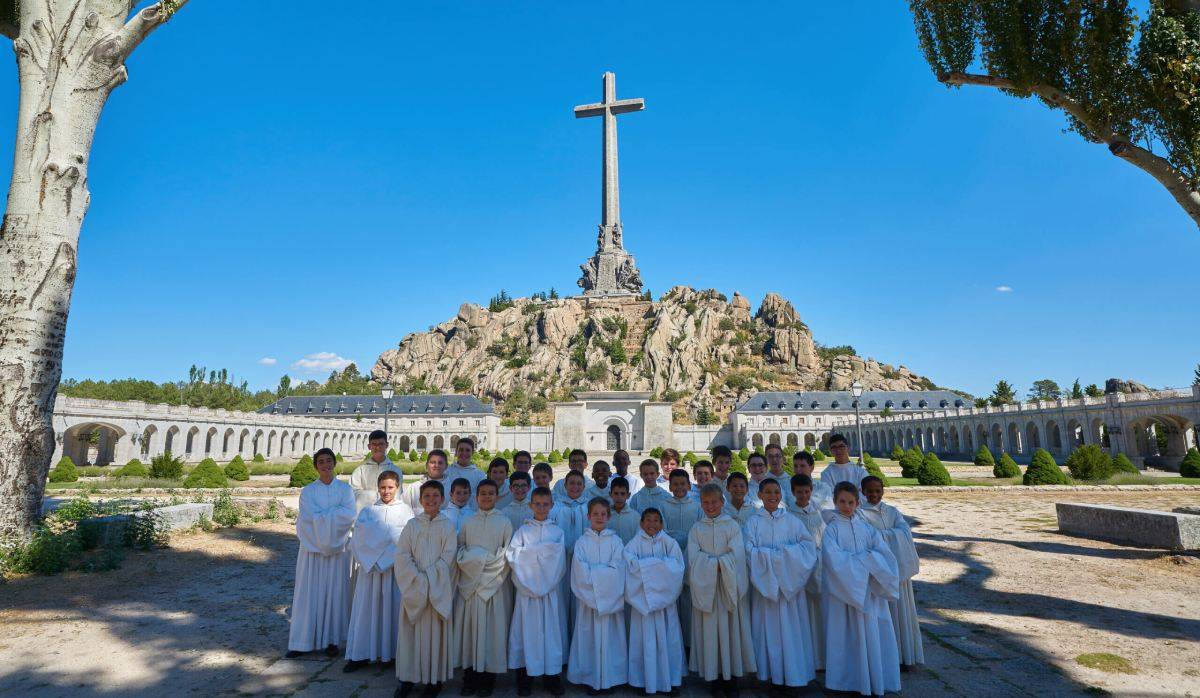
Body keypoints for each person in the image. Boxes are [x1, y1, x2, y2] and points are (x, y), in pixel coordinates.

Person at [822, 482, 901, 697]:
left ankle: (874, 677)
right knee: (846, 636)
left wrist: (867, 564)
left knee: (872, 633)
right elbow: (833, 560)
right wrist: (864, 564)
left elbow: (884, 554)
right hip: (844, 596)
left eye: (850, 502)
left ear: (858, 503)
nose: (846, 506)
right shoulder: (831, 530)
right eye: (841, 502)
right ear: (835, 501)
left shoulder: (867, 529)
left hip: (870, 593)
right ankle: (847, 681)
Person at [744, 478, 819, 690]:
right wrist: (779, 558)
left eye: (776, 492)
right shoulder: (753, 522)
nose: (772, 496)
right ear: (759, 495)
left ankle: (794, 677)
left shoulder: (793, 521)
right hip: (765, 591)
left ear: (781, 495)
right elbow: (748, 551)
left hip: (790, 592)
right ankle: (770, 677)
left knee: (792, 635)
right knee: (768, 635)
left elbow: (807, 548)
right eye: (767, 492)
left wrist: (779, 558)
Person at [688, 484, 756, 697]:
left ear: (722, 502)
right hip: (707, 591)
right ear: (701, 504)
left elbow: (738, 555)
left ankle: (733, 678)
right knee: (710, 634)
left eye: (714, 502)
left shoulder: (732, 526)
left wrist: (718, 565)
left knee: (731, 632)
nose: (710, 506)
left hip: (728, 590)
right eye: (706, 503)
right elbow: (692, 558)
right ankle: (715, 679)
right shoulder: (696, 529)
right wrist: (713, 566)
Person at [287, 448, 356, 658]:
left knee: (334, 593)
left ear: (334, 463)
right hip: (312, 551)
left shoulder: (345, 490)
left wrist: (324, 519)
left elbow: (349, 515)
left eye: (328, 461)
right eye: (321, 462)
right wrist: (330, 519)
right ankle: (301, 642)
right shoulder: (307, 491)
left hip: (336, 552)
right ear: (316, 466)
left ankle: (332, 641)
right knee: (308, 594)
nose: (325, 465)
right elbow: (306, 518)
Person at [394, 480, 458, 698]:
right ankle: (407, 679)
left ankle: (434, 680)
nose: (431, 500)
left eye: (435, 496)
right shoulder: (412, 525)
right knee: (410, 636)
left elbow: (448, 556)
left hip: (436, 593)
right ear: (420, 500)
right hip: (414, 591)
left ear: (443, 499)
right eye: (427, 496)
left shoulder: (448, 526)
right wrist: (417, 579)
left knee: (435, 637)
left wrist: (429, 578)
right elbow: (402, 555)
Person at [344, 470, 412, 672]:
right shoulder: (367, 512)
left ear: (398, 487)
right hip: (371, 571)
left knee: (394, 609)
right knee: (366, 610)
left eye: (390, 487)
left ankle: (392, 654)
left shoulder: (406, 511)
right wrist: (374, 559)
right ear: (378, 488)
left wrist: (386, 558)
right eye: (382, 487)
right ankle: (361, 654)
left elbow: (406, 538)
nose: (386, 491)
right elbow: (358, 539)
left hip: (394, 571)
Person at [453, 479, 513, 698]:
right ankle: (469, 677)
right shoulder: (468, 521)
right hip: (470, 588)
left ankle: (489, 678)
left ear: (497, 497)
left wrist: (482, 569)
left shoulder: (504, 522)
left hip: (494, 587)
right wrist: (476, 566)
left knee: (491, 634)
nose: (487, 497)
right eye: (483, 494)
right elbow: (460, 551)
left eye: (491, 493)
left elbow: (506, 555)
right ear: (475, 497)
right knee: (470, 633)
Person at [507, 487, 567, 697]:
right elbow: (514, 557)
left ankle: (551, 677)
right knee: (526, 634)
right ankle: (525, 678)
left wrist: (533, 553)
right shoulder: (522, 532)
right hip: (527, 594)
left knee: (550, 634)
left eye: (545, 504)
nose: (541, 508)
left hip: (549, 594)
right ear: (531, 505)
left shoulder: (557, 532)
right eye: (537, 504)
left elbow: (558, 561)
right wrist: (543, 553)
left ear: (551, 505)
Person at [859, 476, 923, 670]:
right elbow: (867, 537)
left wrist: (884, 537)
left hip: (898, 569)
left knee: (902, 612)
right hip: (878, 573)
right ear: (862, 492)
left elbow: (904, 531)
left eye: (878, 490)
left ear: (883, 491)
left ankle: (906, 655)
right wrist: (890, 536)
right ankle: (886, 658)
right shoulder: (860, 514)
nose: (874, 494)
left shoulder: (892, 511)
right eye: (870, 491)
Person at [567, 498, 628, 694]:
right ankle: (590, 678)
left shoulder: (616, 541)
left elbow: (619, 569)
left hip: (610, 605)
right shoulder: (582, 542)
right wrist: (596, 592)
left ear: (609, 517)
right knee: (589, 640)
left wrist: (596, 576)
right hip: (588, 604)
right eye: (595, 514)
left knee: (610, 640)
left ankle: (611, 678)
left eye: (603, 514)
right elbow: (579, 571)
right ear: (588, 516)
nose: (599, 517)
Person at [624, 508, 685, 696]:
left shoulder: (670, 543)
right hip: (644, 607)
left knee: (669, 641)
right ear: (641, 523)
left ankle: (671, 679)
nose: (652, 524)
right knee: (644, 642)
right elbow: (629, 567)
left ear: (662, 524)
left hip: (665, 606)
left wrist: (648, 567)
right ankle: (642, 681)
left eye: (656, 520)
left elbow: (677, 568)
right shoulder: (633, 544)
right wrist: (659, 566)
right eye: (648, 520)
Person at [788, 473, 827, 671]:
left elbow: (824, 537)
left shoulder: (817, 513)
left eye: (806, 491)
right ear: (793, 493)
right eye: (799, 492)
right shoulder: (789, 515)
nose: (803, 495)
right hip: (800, 573)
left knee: (819, 617)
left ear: (811, 492)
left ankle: (821, 658)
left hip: (818, 570)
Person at [661, 469, 701, 647]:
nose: (679, 487)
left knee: (690, 599)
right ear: (669, 486)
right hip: (670, 557)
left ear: (689, 485)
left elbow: (700, 530)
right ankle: (674, 643)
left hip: (693, 557)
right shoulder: (663, 506)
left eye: (682, 484)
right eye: (675, 484)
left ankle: (691, 640)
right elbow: (663, 531)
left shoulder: (697, 505)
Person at [551, 470, 589, 645]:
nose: (575, 487)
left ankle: (580, 644)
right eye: (571, 483)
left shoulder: (589, 507)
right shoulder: (556, 507)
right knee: (562, 600)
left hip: (583, 563)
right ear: (565, 485)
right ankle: (562, 645)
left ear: (584, 486)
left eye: (579, 483)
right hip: (562, 562)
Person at [349, 430, 402, 512]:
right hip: (365, 515)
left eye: (381, 444)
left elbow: (397, 495)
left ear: (386, 445)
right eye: (374, 444)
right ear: (369, 446)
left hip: (389, 513)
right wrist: (374, 496)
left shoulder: (395, 470)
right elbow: (353, 494)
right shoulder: (359, 471)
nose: (377, 447)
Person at [606, 477, 640, 544]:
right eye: (616, 493)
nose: (619, 497)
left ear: (628, 495)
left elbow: (638, 540)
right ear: (610, 494)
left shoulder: (635, 517)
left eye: (622, 493)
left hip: (630, 553)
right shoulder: (605, 515)